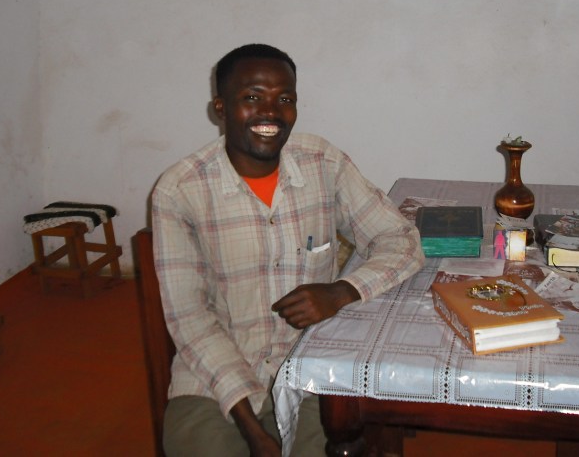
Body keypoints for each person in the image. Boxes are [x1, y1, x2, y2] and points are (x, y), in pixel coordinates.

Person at [152, 43, 424, 457]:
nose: (270, 113)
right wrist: (252, 429)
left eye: (284, 99)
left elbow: (401, 240)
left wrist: (341, 291)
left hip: (312, 366)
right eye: (251, 98)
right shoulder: (180, 190)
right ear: (220, 109)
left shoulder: (322, 162)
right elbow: (190, 317)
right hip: (215, 379)